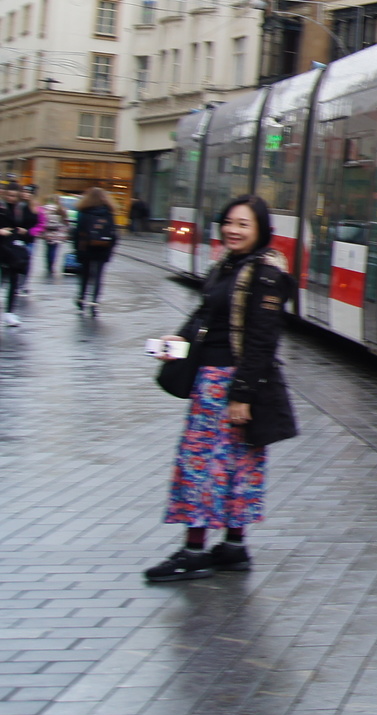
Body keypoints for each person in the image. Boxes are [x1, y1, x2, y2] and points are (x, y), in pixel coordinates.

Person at [145, 195, 299, 581]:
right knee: (234, 465)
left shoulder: (266, 273)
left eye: (243, 224)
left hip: (229, 384)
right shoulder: (227, 266)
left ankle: (194, 551)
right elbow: (204, 319)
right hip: (212, 379)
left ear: (262, 230)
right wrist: (175, 346)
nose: (233, 230)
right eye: (229, 222)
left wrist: (242, 394)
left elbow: (264, 340)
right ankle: (232, 547)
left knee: (201, 466)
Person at [0, 182, 42, 327]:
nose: (12, 198)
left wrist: (26, 232)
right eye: (10, 195)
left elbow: (34, 224)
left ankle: (10, 313)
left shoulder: (21, 209)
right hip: (2, 245)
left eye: (15, 196)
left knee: (14, 279)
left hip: (12, 248)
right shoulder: (1, 206)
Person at [73, 188, 119, 309]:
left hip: (86, 248)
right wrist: (110, 249)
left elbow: (77, 232)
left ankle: (82, 297)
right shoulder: (109, 213)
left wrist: (77, 249)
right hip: (103, 248)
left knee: (85, 274)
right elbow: (114, 234)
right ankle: (95, 300)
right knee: (99, 275)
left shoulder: (84, 212)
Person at [38, 191, 68, 279]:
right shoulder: (61, 209)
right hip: (57, 233)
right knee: (54, 249)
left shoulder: (44, 209)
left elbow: (41, 221)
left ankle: (48, 264)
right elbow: (65, 222)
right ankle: (52, 264)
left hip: (47, 232)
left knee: (47, 249)